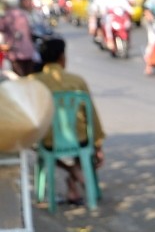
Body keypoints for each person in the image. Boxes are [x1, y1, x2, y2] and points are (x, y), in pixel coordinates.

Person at [30, 37, 106, 205]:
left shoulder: (33, 82)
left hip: (47, 141)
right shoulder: (77, 81)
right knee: (84, 150)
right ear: (62, 57)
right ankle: (76, 174)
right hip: (80, 139)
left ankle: (73, 181)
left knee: (38, 147)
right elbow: (92, 115)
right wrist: (98, 144)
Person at [0, 0, 38, 76]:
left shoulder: (6, 16)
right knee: (28, 77)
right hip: (29, 52)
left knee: (19, 79)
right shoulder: (23, 14)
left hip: (16, 53)